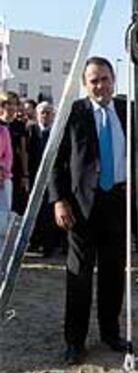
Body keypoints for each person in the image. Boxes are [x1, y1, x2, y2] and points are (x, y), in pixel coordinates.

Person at [49, 56, 128, 365]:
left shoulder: (127, 111)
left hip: (117, 204)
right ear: (85, 83)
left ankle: (111, 333)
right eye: (94, 80)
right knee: (79, 276)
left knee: (113, 274)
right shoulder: (73, 113)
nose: (100, 85)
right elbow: (56, 160)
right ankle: (75, 341)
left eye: (105, 78)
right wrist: (59, 200)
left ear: (113, 80)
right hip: (81, 208)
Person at [27, 101, 61, 256]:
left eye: (49, 112)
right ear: (37, 114)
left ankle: (50, 245)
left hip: (52, 178)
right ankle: (34, 242)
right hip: (34, 176)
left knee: (49, 211)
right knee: (34, 211)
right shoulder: (31, 130)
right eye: (43, 112)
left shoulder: (58, 131)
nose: (46, 115)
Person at [0, 91, 29, 214]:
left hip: (15, 169)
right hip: (1, 169)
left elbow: (23, 151)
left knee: (14, 206)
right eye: (8, 104)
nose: (11, 107)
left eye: (14, 104)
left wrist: (25, 174)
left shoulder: (20, 125)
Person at [0, 123, 13, 250]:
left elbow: (8, 156)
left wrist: (2, 169)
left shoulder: (3, 131)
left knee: (2, 219)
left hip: (2, 180)